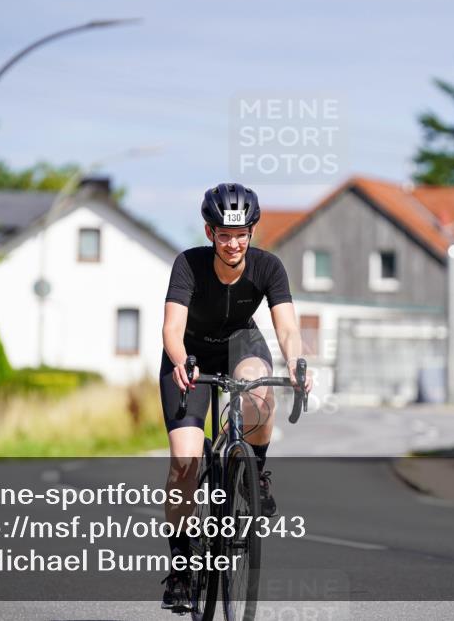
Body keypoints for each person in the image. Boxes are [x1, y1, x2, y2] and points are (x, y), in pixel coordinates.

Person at [158, 183, 312, 611]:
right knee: (184, 465)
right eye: (224, 234)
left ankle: (253, 472)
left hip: (241, 345)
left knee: (259, 389)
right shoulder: (188, 265)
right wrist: (180, 359)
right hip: (188, 356)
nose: (233, 242)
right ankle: (183, 568)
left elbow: (286, 329)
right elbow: (172, 327)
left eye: (241, 233)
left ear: (251, 231)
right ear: (210, 233)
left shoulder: (268, 267)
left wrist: (298, 365)